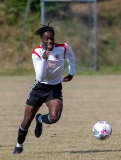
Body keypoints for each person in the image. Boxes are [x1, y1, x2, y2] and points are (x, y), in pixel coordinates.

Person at [13, 22, 75, 154]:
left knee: (55, 117)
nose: (49, 41)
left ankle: (40, 119)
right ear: (42, 40)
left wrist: (71, 72)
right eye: (46, 39)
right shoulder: (37, 52)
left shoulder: (63, 47)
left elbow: (71, 56)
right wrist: (44, 59)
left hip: (55, 88)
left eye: (51, 38)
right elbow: (40, 77)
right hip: (39, 88)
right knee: (26, 121)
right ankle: (19, 144)